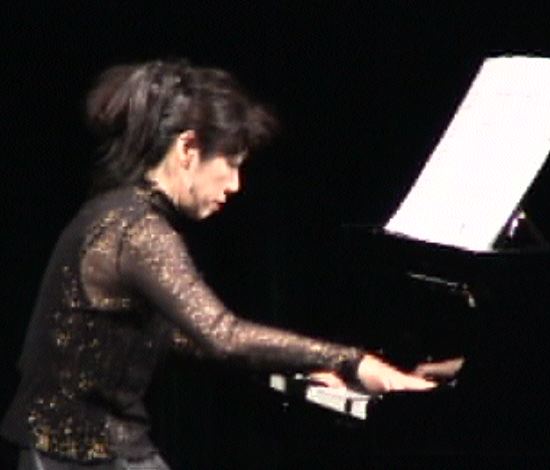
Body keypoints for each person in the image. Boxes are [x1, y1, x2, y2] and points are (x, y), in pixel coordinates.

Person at [1, 59, 436, 470]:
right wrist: (352, 361)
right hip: (79, 457)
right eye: (231, 164)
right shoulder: (136, 230)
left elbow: (181, 338)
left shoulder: (115, 212)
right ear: (188, 147)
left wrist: (302, 363)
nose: (235, 185)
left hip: (84, 451)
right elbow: (221, 335)